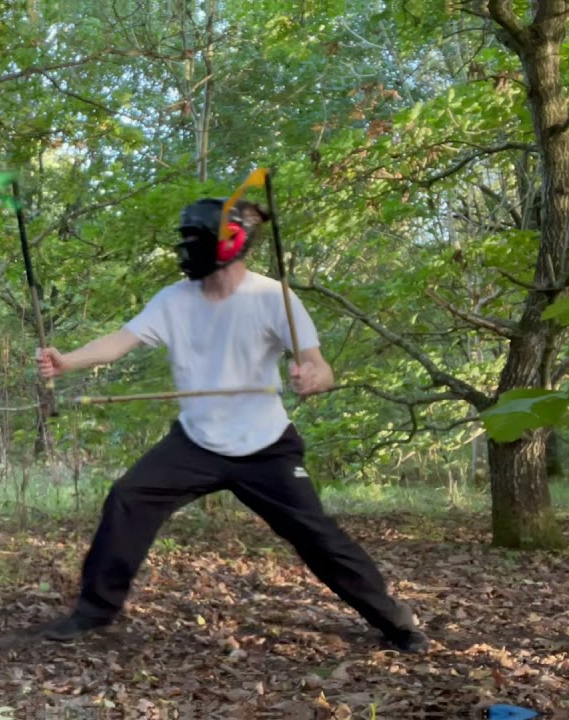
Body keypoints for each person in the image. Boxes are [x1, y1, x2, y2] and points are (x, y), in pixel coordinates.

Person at [34, 196, 430, 654]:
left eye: (194, 241)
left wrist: (310, 378)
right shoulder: (174, 300)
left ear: (229, 243)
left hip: (265, 446)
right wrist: (67, 362)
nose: (185, 251)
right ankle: (94, 611)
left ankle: (395, 622)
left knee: (318, 537)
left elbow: (320, 368)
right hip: (196, 443)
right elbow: (120, 342)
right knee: (128, 498)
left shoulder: (272, 297)